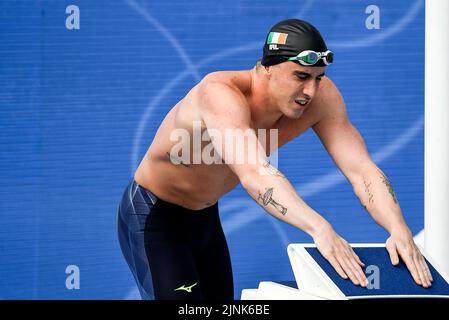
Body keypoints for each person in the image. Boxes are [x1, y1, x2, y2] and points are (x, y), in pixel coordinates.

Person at [117, 19, 432, 300]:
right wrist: (319, 227)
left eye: (318, 77)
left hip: (204, 217)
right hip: (154, 216)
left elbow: (361, 169)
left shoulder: (321, 99)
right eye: (300, 76)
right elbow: (255, 174)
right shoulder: (220, 95)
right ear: (266, 67)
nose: (310, 90)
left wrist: (398, 227)